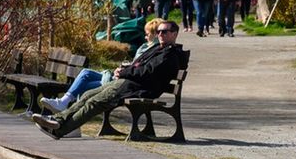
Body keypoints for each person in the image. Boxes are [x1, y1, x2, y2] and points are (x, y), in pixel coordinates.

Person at [32, 20, 186, 138]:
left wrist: (125, 73)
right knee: (87, 95)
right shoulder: (158, 48)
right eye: (159, 31)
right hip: (130, 83)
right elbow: (139, 66)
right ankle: (58, 119)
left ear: (174, 33)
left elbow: (147, 71)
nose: (161, 34)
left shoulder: (169, 55)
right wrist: (124, 70)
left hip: (138, 88)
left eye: (165, 32)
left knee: (95, 102)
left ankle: (59, 130)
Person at [40, 18, 164, 113]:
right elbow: (135, 65)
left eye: (147, 34)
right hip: (121, 76)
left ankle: (66, 112)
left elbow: (140, 69)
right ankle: (63, 104)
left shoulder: (154, 50)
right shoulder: (144, 47)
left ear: (155, 34)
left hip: (123, 82)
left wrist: (124, 71)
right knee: (86, 73)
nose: (145, 36)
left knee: (84, 88)